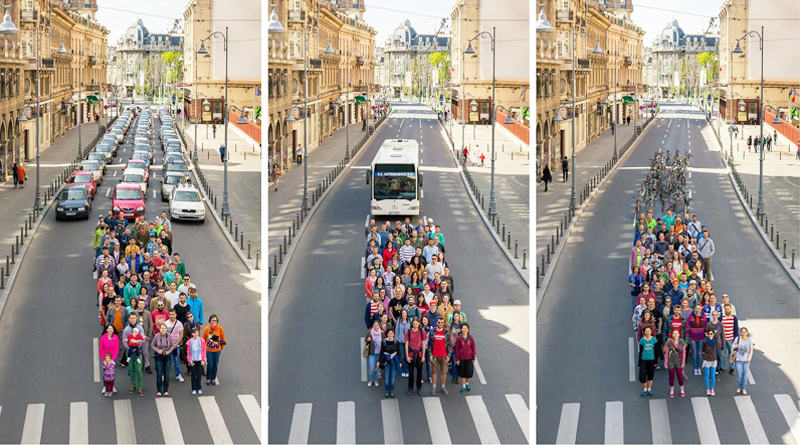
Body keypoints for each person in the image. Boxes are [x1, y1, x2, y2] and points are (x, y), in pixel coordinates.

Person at [151, 322, 176, 397]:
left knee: (166, 374)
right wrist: (158, 350)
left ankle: (165, 390)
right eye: (162, 328)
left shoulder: (169, 336)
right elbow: (152, 345)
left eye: (164, 328)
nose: (163, 330)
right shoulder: (156, 336)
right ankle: (159, 390)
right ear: (159, 329)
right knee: (159, 374)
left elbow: (172, 345)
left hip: (167, 356)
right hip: (159, 356)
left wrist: (169, 351)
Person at [405, 317, 427, 396]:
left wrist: (423, 356)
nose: (415, 325)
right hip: (411, 354)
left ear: (419, 324)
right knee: (411, 373)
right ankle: (410, 388)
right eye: (414, 324)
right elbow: (406, 344)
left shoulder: (422, 331)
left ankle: (419, 388)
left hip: (419, 355)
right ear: (412, 324)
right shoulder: (409, 332)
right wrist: (407, 356)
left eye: (416, 324)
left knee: (419, 373)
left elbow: (423, 344)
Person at [429, 316, 451, 396]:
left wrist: (448, 355)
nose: (440, 324)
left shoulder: (446, 332)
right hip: (435, 356)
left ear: (443, 323)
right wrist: (430, 354)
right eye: (439, 322)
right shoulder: (432, 331)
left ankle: (443, 387)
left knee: (443, 372)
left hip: (444, 356)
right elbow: (429, 344)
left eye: (442, 322)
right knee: (434, 372)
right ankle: (434, 387)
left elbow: (449, 345)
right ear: (436, 322)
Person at [202, 314, 226, 386]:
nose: (214, 322)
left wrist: (220, 348)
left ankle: (213, 377)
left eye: (215, 320)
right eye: (212, 320)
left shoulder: (220, 329)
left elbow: (223, 339)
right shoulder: (206, 329)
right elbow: (203, 339)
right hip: (209, 350)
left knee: (215, 365)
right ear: (210, 321)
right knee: (210, 364)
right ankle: (208, 377)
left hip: (217, 350)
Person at [664, 329, 686, 398]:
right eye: (674, 333)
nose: (675, 335)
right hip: (671, 361)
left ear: (679, 334)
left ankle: (682, 390)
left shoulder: (681, 342)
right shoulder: (669, 342)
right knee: (671, 376)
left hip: (678, 361)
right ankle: (671, 390)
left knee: (679, 376)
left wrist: (683, 363)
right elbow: (666, 353)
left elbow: (684, 353)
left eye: (676, 333)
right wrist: (665, 363)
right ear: (672, 335)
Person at [454, 323, 476, 393]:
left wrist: (473, 357)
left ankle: (467, 383)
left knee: (468, 372)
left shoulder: (470, 337)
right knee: (462, 372)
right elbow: (457, 349)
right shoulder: (459, 338)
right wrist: (457, 359)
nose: (464, 330)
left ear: (468, 329)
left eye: (465, 328)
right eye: (463, 328)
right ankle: (463, 385)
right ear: (461, 329)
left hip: (469, 357)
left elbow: (473, 347)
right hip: (461, 358)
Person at [378, 328, 400, 398]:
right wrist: (378, 361)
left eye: (392, 333)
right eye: (389, 333)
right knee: (387, 377)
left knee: (393, 377)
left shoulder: (396, 342)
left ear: (394, 334)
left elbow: (399, 352)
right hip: (386, 360)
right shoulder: (384, 341)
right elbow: (381, 352)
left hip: (393, 360)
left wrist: (400, 362)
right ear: (387, 334)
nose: (390, 335)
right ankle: (387, 390)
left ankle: (391, 390)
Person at [99, 324, 120, 394]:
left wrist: (113, 359)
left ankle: (112, 386)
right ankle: (105, 387)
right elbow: (101, 349)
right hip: (105, 358)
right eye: (109, 329)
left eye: (112, 329)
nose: (110, 330)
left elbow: (117, 349)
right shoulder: (103, 338)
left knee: (112, 373)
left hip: (113, 358)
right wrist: (104, 359)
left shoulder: (116, 338)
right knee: (105, 373)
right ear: (106, 330)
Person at [186, 326, 207, 395]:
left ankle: (199, 387)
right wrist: (190, 361)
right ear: (192, 334)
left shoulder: (202, 341)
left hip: (200, 360)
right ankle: (194, 388)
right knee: (193, 375)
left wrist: (203, 360)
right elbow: (188, 352)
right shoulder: (189, 342)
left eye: (197, 333)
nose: (196, 335)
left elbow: (204, 351)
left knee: (199, 375)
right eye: (194, 333)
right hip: (193, 360)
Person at [733, 327, 753, 394]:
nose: (743, 333)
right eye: (742, 332)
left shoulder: (749, 340)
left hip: (746, 361)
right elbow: (732, 346)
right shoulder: (737, 339)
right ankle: (739, 386)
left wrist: (749, 358)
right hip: (738, 359)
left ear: (747, 333)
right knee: (739, 375)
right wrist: (735, 346)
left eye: (744, 332)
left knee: (745, 375)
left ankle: (743, 387)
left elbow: (751, 351)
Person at [638, 326, 657, 397]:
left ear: (651, 332)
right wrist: (639, 364)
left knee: (650, 375)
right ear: (644, 332)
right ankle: (645, 389)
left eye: (649, 331)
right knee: (642, 376)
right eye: (646, 331)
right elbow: (640, 352)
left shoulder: (654, 340)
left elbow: (656, 351)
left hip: (651, 360)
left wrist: (655, 362)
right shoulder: (642, 341)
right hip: (644, 360)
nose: (647, 332)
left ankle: (649, 389)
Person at [702, 329, 721, 396]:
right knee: (707, 375)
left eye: (711, 334)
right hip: (707, 359)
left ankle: (712, 389)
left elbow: (717, 348)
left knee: (713, 375)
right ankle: (707, 389)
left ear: (713, 334)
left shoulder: (716, 341)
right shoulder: (705, 341)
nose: (710, 335)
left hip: (714, 359)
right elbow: (703, 349)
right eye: (709, 334)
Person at [365, 320, 384, 387]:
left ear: (379, 326)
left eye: (377, 325)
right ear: (373, 326)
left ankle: (375, 380)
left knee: (377, 368)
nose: (376, 327)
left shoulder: (382, 333)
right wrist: (368, 340)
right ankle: (370, 380)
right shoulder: (370, 333)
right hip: (372, 352)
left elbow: (384, 343)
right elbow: (366, 341)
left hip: (379, 353)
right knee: (371, 368)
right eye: (374, 325)